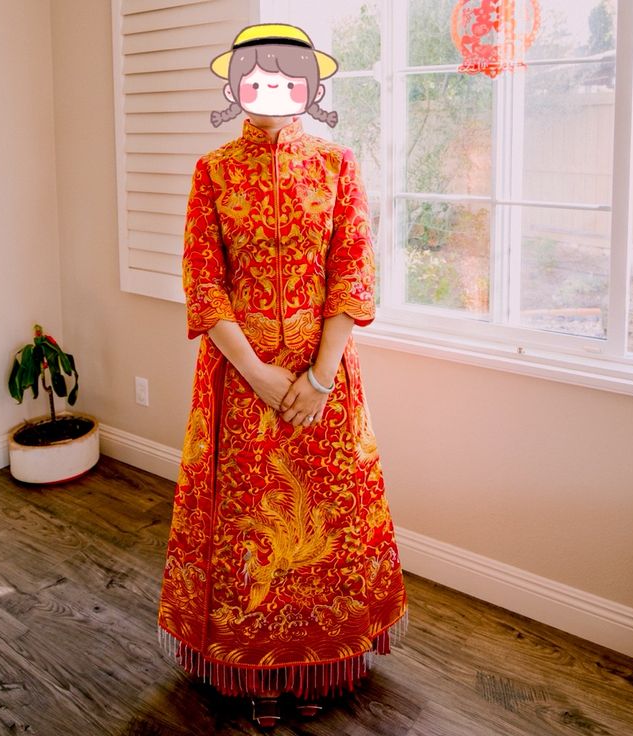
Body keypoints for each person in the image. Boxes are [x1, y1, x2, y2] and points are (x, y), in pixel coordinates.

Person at [157, 23, 408, 729]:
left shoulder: (336, 164)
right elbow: (203, 285)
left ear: (309, 87)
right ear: (235, 86)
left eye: (285, 77)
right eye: (256, 77)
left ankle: (323, 664)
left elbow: (352, 272)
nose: (269, 90)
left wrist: (321, 376)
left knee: (329, 523)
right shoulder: (212, 171)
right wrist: (258, 375)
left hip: (323, 378)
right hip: (239, 381)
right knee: (249, 529)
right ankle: (252, 668)